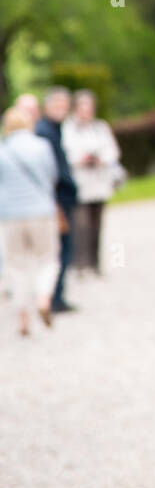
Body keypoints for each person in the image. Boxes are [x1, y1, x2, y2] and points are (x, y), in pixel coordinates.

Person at [0, 104, 59, 336]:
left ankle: (22, 316)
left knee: (16, 266)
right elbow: (51, 176)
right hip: (41, 211)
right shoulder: (41, 146)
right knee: (47, 259)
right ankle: (43, 298)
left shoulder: (2, 150)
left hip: (11, 215)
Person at [62, 90, 122, 276]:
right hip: (79, 184)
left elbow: (113, 151)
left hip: (99, 182)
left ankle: (95, 264)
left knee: (97, 226)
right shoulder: (68, 129)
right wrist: (82, 159)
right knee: (80, 226)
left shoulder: (100, 127)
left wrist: (100, 159)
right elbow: (65, 154)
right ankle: (80, 265)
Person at [35, 87, 79, 313]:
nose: (62, 109)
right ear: (47, 106)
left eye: (65, 105)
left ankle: (56, 296)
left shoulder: (54, 130)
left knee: (61, 250)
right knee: (59, 250)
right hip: (56, 201)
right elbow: (50, 172)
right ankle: (53, 297)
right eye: (57, 105)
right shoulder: (46, 132)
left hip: (59, 198)